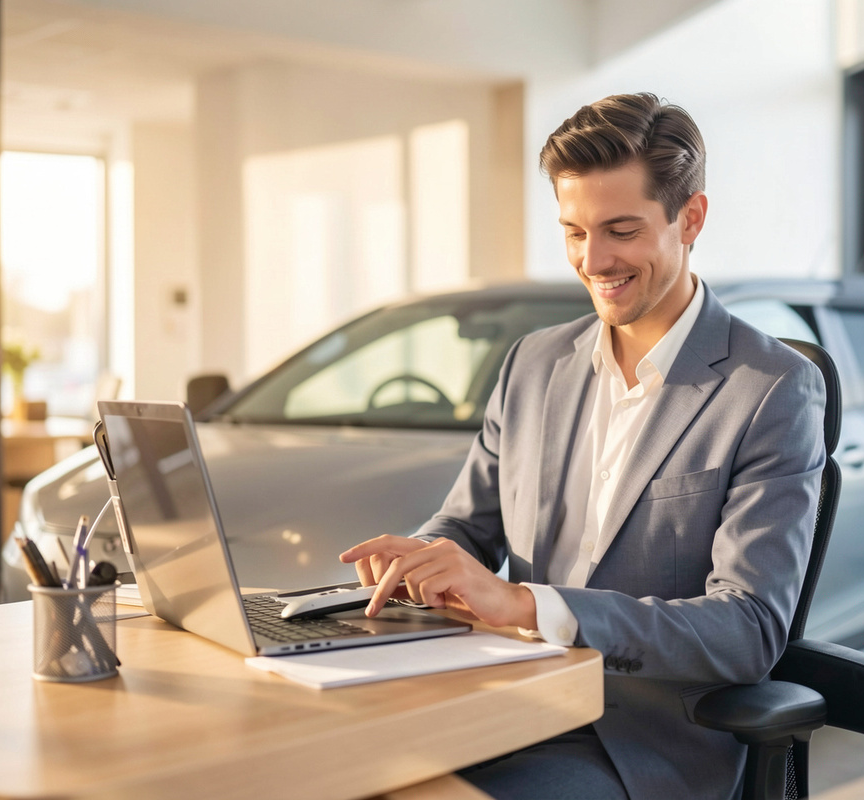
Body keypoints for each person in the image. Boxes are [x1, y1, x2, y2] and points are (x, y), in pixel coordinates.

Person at [340, 92, 826, 800]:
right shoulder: (534, 364)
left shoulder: (771, 389)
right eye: (573, 232)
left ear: (690, 219)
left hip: (637, 741)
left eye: (620, 231)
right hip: (497, 703)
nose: (593, 260)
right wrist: (420, 558)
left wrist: (529, 606)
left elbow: (747, 628)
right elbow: (467, 527)